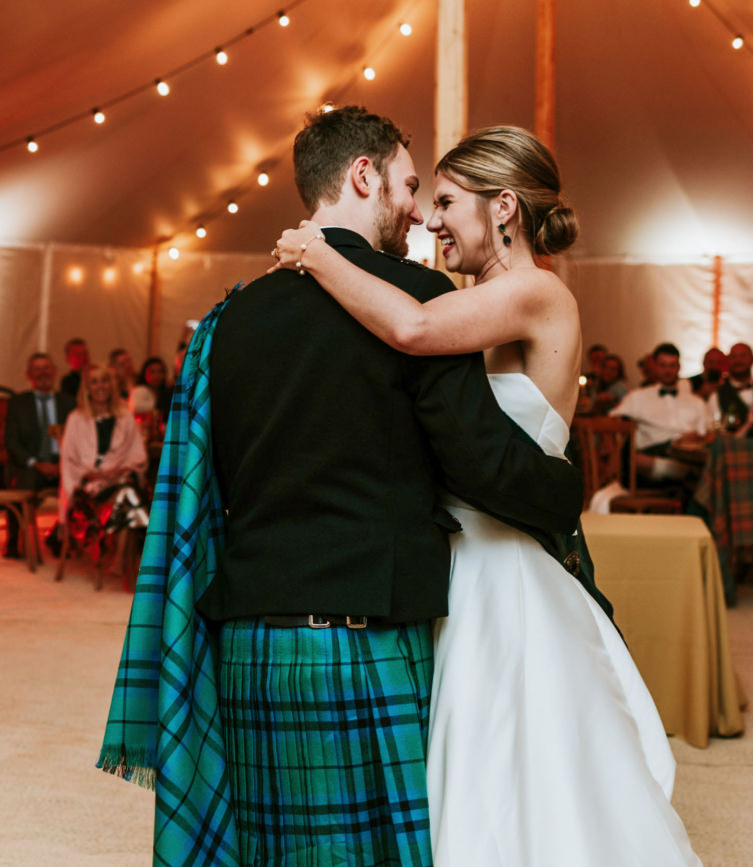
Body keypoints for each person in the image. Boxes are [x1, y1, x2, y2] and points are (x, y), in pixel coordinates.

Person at [99, 108, 588, 865]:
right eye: (409, 184)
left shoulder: (226, 321)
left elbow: (207, 487)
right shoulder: (420, 297)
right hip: (371, 635)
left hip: (249, 640)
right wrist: (563, 494)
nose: (419, 210)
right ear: (364, 176)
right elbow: (480, 465)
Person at [271, 122, 700, 864]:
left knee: (511, 768)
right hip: (458, 557)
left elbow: (411, 326)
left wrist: (317, 250)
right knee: (471, 771)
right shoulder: (485, 297)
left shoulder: (536, 292)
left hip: (506, 569)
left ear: (502, 207)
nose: (430, 220)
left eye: (445, 202)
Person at [58, 363, 149, 565]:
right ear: (87, 388)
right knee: (130, 493)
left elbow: (138, 456)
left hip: (118, 480)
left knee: (127, 490)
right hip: (88, 486)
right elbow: (68, 461)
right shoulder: (76, 419)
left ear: (112, 385)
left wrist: (116, 472)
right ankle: (129, 557)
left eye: (105, 380)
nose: (100, 386)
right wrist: (94, 476)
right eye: (94, 382)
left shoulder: (125, 417)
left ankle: (119, 560)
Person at [3, 353, 74, 558]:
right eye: (37, 369)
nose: (42, 373)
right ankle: (14, 541)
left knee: (79, 485)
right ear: (28, 375)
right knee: (24, 481)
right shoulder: (18, 403)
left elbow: (78, 438)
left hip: (64, 463)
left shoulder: (68, 402)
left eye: (46, 368)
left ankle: (62, 538)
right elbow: (12, 442)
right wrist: (36, 463)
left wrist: (62, 464)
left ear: (54, 372)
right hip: (30, 464)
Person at [612, 341, 712, 479]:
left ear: (678, 367)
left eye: (672, 365)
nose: (667, 371)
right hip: (652, 457)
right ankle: (689, 474)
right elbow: (611, 421)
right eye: (663, 365)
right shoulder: (638, 397)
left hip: (689, 456)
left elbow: (706, 434)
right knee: (638, 460)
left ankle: (689, 474)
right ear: (655, 367)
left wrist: (690, 440)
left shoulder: (696, 402)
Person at [707, 341, 753, 427]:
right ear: (727, 361)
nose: (738, 360)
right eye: (733, 357)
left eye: (743, 356)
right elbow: (714, 428)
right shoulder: (717, 395)